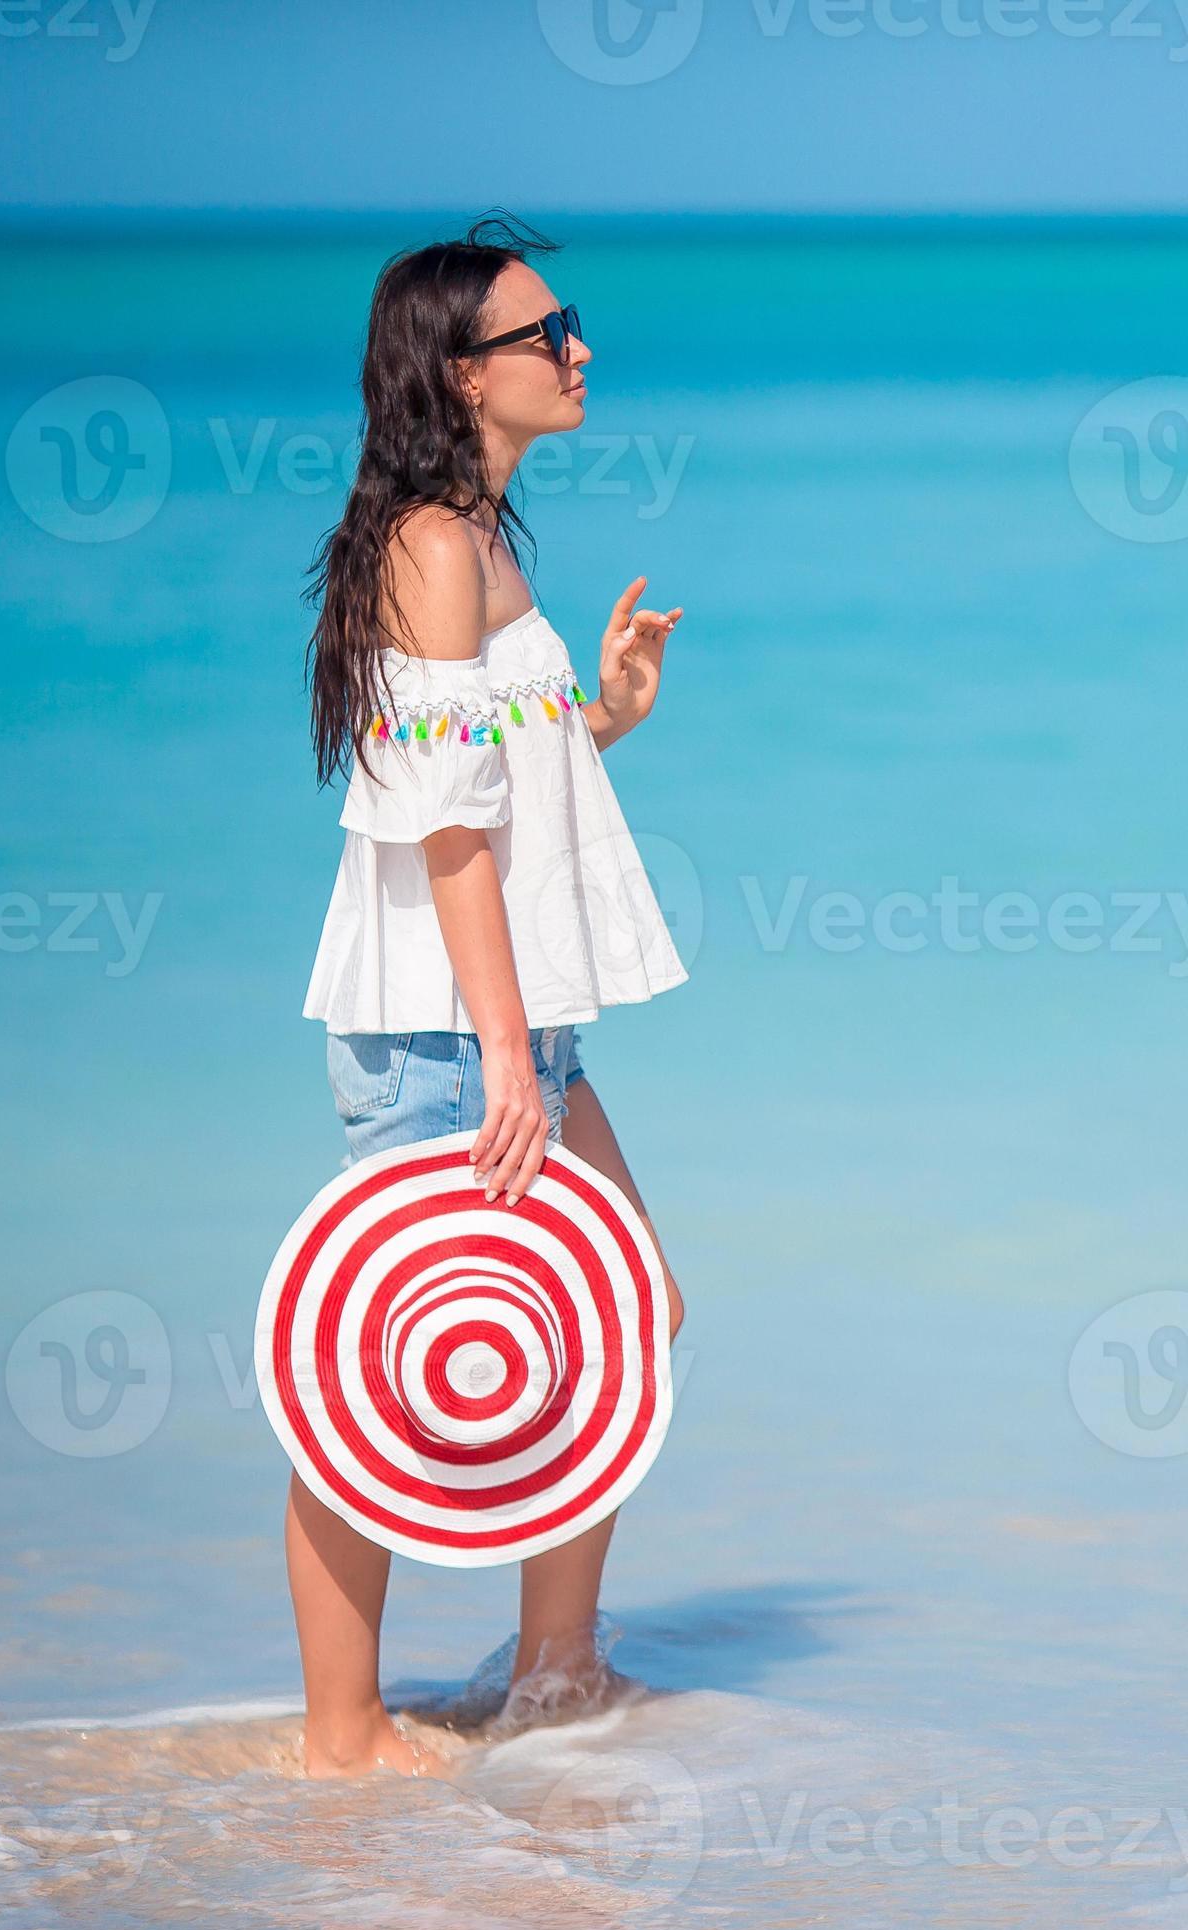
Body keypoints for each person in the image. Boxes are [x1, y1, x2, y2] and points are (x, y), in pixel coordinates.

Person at [291, 214, 690, 1777]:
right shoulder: (430, 550)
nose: (578, 350)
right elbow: (441, 829)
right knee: (377, 1369)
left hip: (516, 1026)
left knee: (621, 1321)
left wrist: (604, 712)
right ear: (460, 375)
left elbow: (495, 781)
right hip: (447, 1037)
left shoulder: (484, 543)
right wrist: (510, 1056)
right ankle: (341, 1739)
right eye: (547, 333)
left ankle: (557, 1671)